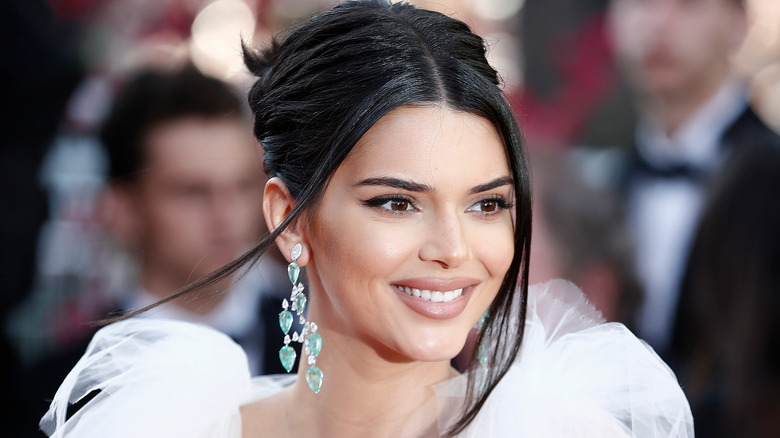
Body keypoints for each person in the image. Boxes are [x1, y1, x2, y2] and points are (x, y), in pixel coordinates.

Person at [41, 1, 693, 436]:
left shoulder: (558, 428)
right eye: (397, 202)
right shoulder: (167, 424)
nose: (452, 247)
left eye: (486, 204)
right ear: (288, 219)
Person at [607, 0, 780, 355]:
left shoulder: (771, 176)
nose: (659, 23)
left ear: (738, 23)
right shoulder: (607, 179)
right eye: (642, 4)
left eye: (688, 6)